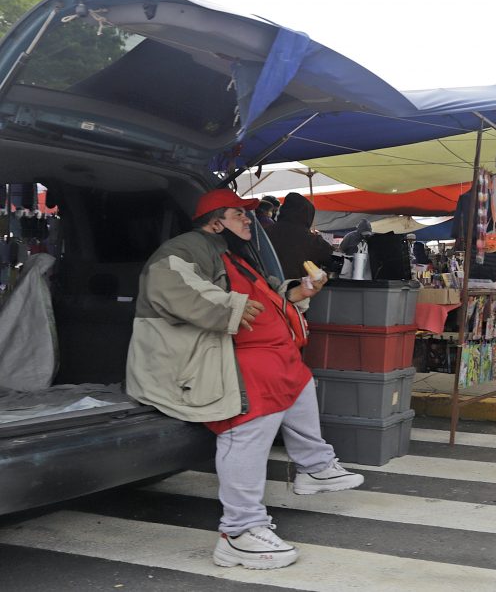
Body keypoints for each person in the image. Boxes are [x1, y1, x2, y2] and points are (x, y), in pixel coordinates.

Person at [126, 189, 363, 570]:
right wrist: (230, 306)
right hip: (212, 360)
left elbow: (267, 297)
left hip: (264, 353)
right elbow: (169, 282)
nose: (247, 220)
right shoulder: (187, 247)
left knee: (298, 376)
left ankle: (314, 466)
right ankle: (239, 531)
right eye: (238, 214)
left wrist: (300, 291)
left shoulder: (233, 254)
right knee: (252, 413)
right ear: (215, 220)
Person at [265, 193, 334, 281]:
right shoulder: (312, 240)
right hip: (297, 289)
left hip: (265, 287)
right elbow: (331, 258)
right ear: (308, 215)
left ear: (283, 210)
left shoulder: (265, 232)